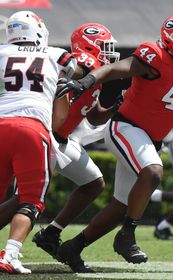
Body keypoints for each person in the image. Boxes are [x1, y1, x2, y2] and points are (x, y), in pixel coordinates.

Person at [55, 13, 173, 269]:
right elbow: (117, 68)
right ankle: (127, 236)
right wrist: (86, 81)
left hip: (150, 139)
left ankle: (72, 248)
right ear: (170, 40)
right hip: (126, 128)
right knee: (153, 172)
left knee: (122, 205)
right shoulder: (155, 56)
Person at [29, 23, 122, 273]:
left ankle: (51, 233)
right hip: (44, 135)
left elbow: (92, 116)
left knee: (94, 183)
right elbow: (60, 76)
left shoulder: (95, 75)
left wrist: (114, 109)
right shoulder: (81, 62)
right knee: (24, 200)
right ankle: (12, 249)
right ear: (90, 46)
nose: (109, 53)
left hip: (62, 140)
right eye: (105, 47)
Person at [0, 11, 78, 274]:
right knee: (30, 200)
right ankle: (10, 255)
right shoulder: (57, 56)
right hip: (32, 128)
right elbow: (61, 114)